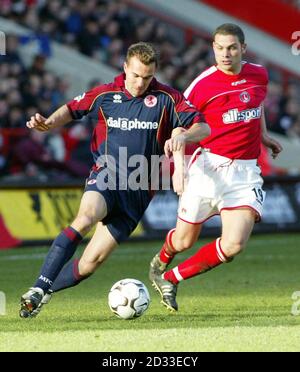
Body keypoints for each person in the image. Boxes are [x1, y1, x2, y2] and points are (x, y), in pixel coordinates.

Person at [19, 42, 210, 318]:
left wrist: (184, 135)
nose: (140, 83)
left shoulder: (168, 98)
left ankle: (43, 294)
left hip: (139, 191)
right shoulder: (106, 94)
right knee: (85, 217)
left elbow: (203, 126)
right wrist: (48, 123)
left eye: (147, 77)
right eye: (135, 75)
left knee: (89, 264)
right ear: (125, 68)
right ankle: (38, 287)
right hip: (107, 175)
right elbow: (73, 108)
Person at [148, 24, 283, 312]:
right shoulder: (201, 86)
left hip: (245, 174)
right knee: (183, 241)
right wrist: (179, 168)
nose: (225, 54)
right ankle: (160, 260)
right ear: (213, 48)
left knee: (233, 245)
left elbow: (254, 108)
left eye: (232, 47)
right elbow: (178, 130)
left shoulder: (259, 74)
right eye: (219, 48)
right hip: (207, 169)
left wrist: (264, 136)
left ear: (243, 49)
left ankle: (171, 278)